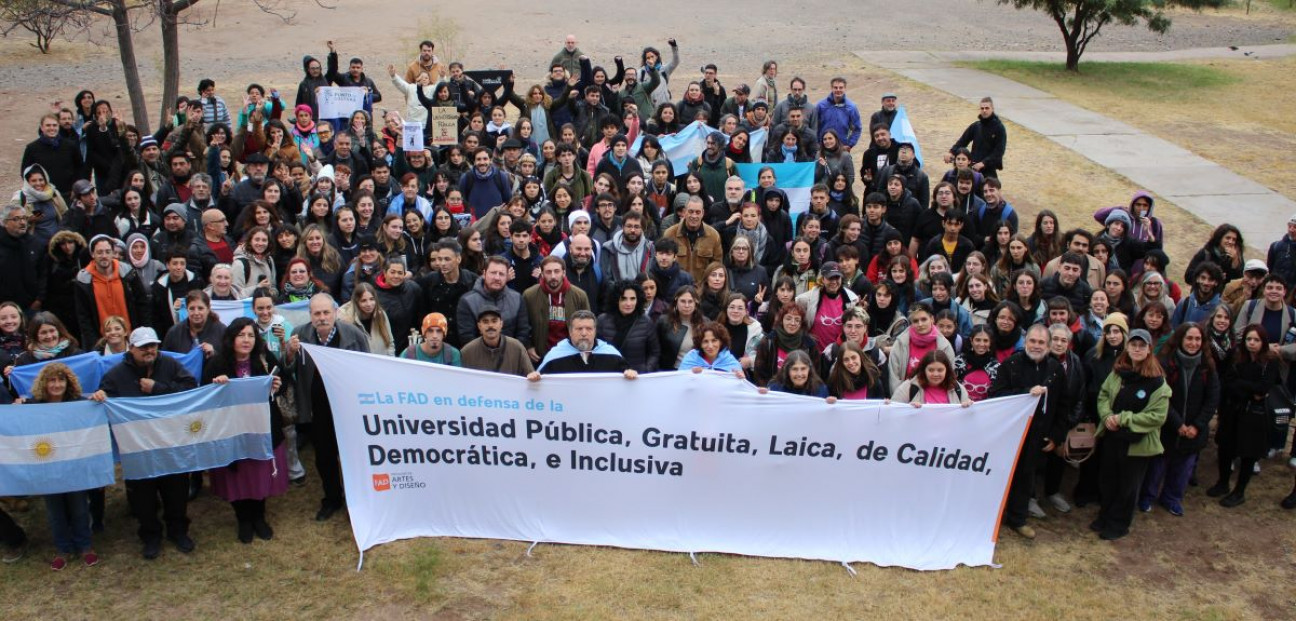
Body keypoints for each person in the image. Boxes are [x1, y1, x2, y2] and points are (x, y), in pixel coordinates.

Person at [90, 327, 198, 559]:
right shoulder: (116, 374)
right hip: (137, 447)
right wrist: (99, 397)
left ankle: (178, 531)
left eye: (153, 345)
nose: (149, 350)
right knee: (143, 500)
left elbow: (190, 389)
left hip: (171, 442)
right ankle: (150, 536)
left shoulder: (170, 365)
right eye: (143, 347)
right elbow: (103, 401)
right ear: (131, 348)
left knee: (176, 493)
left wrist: (157, 388)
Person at [285, 294, 370, 521]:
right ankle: (332, 498)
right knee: (324, 456)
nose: (322, 318)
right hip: (317, 408)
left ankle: (358, 501)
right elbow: (288, 369)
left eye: (326, 313)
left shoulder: (353, 334)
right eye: (317, 313)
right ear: (310, 315)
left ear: (335, 312)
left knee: (352, 455)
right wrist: (290, 352)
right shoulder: (299, 334)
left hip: (347, 406)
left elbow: (367, 367)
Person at [203, 318, 288, 544]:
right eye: (241, 335)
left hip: (261, 427)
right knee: (238, 474)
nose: (246, 340)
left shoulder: (263, 357)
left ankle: (259, 517)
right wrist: (216, 387)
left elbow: (283, 384)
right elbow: (204, 396)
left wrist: (277, 387)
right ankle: (243, 519)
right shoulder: (217, 363)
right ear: (232, 338)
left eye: (250, 335)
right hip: (231, 429)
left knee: (258, 471)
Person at [989, 324, 1064, 540]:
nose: (1036, 346)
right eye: (1032, 341)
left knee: (1026, 477)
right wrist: (1026, 394)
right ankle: (994, 516)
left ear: (1049, 346)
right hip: (1010, 434)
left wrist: (1057, 435)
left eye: (1041, 342)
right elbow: (997, 395)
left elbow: (1063, 403)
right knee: (1002, 475)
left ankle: (1018, 519)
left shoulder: (1056, 370)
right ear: (1025, 342)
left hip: (1037, 435)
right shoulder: (1010, 364)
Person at [1093, 328, 1169, 540]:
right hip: (1112, 437)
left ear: (1149, 349)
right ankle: (1105, 516)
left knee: (1128, 485)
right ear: (1127, 347)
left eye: (1141, 346)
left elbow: (1157, 416)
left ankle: (1119, 524)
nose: (1137, 349)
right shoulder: (1118, 372)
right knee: (1108, 479)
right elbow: (1103, 395)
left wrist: (1124, 419)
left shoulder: (1157, 381)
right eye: (1133, 345)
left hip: (1136, 442)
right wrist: (1107, 415)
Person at [1139, 323, 1219, 517]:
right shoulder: (1165, 363)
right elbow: (1160, 398)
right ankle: (1147, 497)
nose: (1193, 343)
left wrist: (1197, 426)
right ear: (1181, 339)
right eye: (1189, 338)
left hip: (1194, 430)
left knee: (1183, 468)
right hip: (1166, 426)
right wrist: (1178, 424)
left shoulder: (1207, 367)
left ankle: (1172, 498)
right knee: (1156, 466)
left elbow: (1212, 399)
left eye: (1197, 339)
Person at [25, 362, 98, 570]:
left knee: (80, 508)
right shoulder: (32, 406)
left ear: (68, 382)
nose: (57, 384)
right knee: (54, 511)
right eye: (52, 380)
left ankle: (85, 546)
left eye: (61, 380)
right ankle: (63, 548)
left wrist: (96, 399)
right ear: (44, 383)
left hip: (74, 466)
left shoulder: (79, 403)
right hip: (46, 467)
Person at [1210, 324, 1282, 507]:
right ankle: (1223, 482)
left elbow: (1264, 388)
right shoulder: (1235, 357)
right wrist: (1249, 389)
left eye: (1256, 340)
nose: (1252, 343)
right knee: (1225, 447)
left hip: (1254, 414)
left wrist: (1241, 386)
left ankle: (1239, 491)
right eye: (1249, 339)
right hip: (1232, 410)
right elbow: (1227, 383)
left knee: (1248, 453)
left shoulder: (1270, 361)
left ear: (1263, 342)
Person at [73, 234, 149, 347]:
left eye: (108, 252)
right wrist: (95, 344)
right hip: (101, 342)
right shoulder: (83, 281)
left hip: (131, 339)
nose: (104, 256)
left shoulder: (128, 274)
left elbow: (142, 303)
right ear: (92, 254)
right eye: (99, 252)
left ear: (113, 253)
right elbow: (83, 317)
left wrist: (142, 333)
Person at [524, 256, 591, 364]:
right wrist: (528, 346)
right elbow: (524, 325)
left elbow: (588, 326)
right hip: (540, 356)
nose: (553, 276)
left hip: (571, 355)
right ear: (542, 274)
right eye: (548, 272)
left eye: (557, 271)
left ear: (564, 273)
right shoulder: (529, 295)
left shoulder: (579, 295)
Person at [531, 310, 635, 377]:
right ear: (570, 332)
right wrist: (535, 378)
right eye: (579, 329)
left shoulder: (611, 355)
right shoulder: (554, 357)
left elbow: (628, 377)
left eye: (589, 329)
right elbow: (540, 386)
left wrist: (629, 373)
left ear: (595, 331)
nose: (584, 333)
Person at [456, 256, 531, 344]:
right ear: (484, 274)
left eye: (501, 274)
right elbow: (467, 337)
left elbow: (523, 332)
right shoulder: (467, 301)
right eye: (493, 273)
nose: (497, 278)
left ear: (507, 276)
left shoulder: (517, 298)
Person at [886, 303, 956, 388]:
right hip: (906, 397)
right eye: (915, 321)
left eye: (923, 319)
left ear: (932, 319)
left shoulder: (945, 346)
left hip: (935, 397)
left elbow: (949, 378)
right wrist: (900, 398)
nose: (920, 324)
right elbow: (894, 378)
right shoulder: (900, 344)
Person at [596, 280, 659, 373]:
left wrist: (646, 370)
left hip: (637, 377)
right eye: (623, 298)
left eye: (633, 298)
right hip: (610, 375)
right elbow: (595, 349)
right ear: (616, 299)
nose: (628, 303)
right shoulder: (602, 320)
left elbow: (655, 352)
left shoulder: (646, 321)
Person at [796, 261, 858, 350]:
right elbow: (798, 322)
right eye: (830, 278)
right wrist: (806, 336)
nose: (833, 282)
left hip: (841, 353)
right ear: (823, 279)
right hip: (815, 354)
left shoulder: (852, 299)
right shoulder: (806, 299)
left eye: (837, 277)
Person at [460, 306, 535, 377]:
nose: (490, 325)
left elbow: (530, 374)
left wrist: (533, 376)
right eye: (485, 322)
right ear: (479, 326)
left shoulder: (517, 347)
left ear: (501, 324)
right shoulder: (467, 352)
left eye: (494, 321)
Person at [944, 97, 1006, 178]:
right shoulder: (976, 126)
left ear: (992, 109)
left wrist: (983, 163)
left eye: (987, 108)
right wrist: (951, 152)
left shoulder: (999, 128)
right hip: (973, 167)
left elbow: (999, 152)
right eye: (982, 108)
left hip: (989, 170)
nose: (984, 110)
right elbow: (963, 141)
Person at [891, 350, 972, 407]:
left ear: (947, 370)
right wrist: (908, 410)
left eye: (940, 370)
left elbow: (967, 420)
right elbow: (893, 410)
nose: (935, 374)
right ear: (924, 370)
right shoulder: (909, 387)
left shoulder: (958, 389)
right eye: (931, 370)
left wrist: (968, 408)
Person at [338, 282, 395, 356]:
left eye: (371, 299)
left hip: (382, 364)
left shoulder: (381, 314)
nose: (369, 304)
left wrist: (390, 361)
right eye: (363, 301)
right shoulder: (347, 321)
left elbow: (390, 343)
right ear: (357, 302)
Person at [679, 321, 745, 378]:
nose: (710, 346)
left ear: (721, 341)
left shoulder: (730, 361)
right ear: (699, 343)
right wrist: (690, 375)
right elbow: (680, 381)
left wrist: (739, 377)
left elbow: (740, 387)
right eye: (705, 341)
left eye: (714, 340)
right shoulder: (690, 358)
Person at [761, 350, 831, 399]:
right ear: (787, 370)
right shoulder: (775, 388)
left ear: (809, 370)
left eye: (803, 369)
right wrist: (762, 398)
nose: (799, 374)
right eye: (794, 369)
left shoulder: (820, 390)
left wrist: (831, 406)